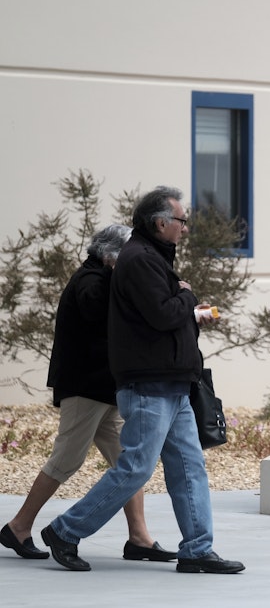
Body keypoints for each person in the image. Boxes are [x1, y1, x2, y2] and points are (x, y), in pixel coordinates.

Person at [40, 186, 244, 574]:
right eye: (181, 221)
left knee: (189, 467)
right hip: (149, 384)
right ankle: (66, 530)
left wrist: (183, 303)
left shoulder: (152, 258)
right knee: (135, 467)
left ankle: (198, 549)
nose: (185, 228)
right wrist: (187, 296)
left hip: (172, 384)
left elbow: (163, 315)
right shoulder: (139, 260)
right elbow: (164, 314)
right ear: (160, 222)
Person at [1, 224, 176, 563]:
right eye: (127, 256)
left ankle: (139, 537)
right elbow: (103, 316)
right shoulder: (91, 282)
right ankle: (19, 526)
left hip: (105, 389)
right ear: (111, 255)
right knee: (67, 458)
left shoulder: (102, 279)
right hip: (85, 388)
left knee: (130, 461)